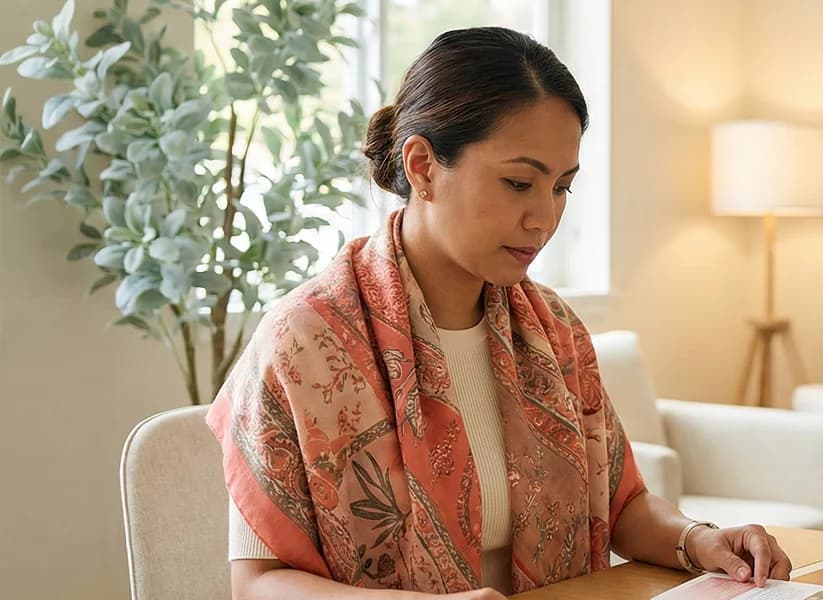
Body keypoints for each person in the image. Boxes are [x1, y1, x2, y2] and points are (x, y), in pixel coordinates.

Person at [208, 26, 792, 600]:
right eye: (518, 183)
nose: (544, 218)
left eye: (562, 187)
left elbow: (621, 506)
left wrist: (701, 541)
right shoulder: (303, 343)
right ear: (422, 166)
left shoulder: (553, 330)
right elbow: (258, 582)